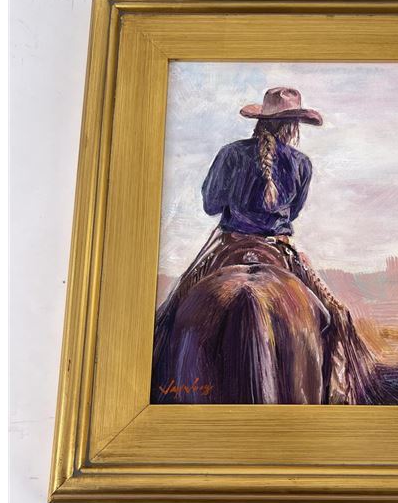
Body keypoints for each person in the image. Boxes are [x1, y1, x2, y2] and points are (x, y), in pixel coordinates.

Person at [152, 87, 384, 404]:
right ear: (293, 126)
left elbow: (210, 204)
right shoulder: (301, 164)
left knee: (168, 315)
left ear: (261, 120)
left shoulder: (230, 154)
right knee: (336, 318)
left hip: (228, 244)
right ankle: (337, 396)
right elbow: (294, 212)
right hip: (279, 248)